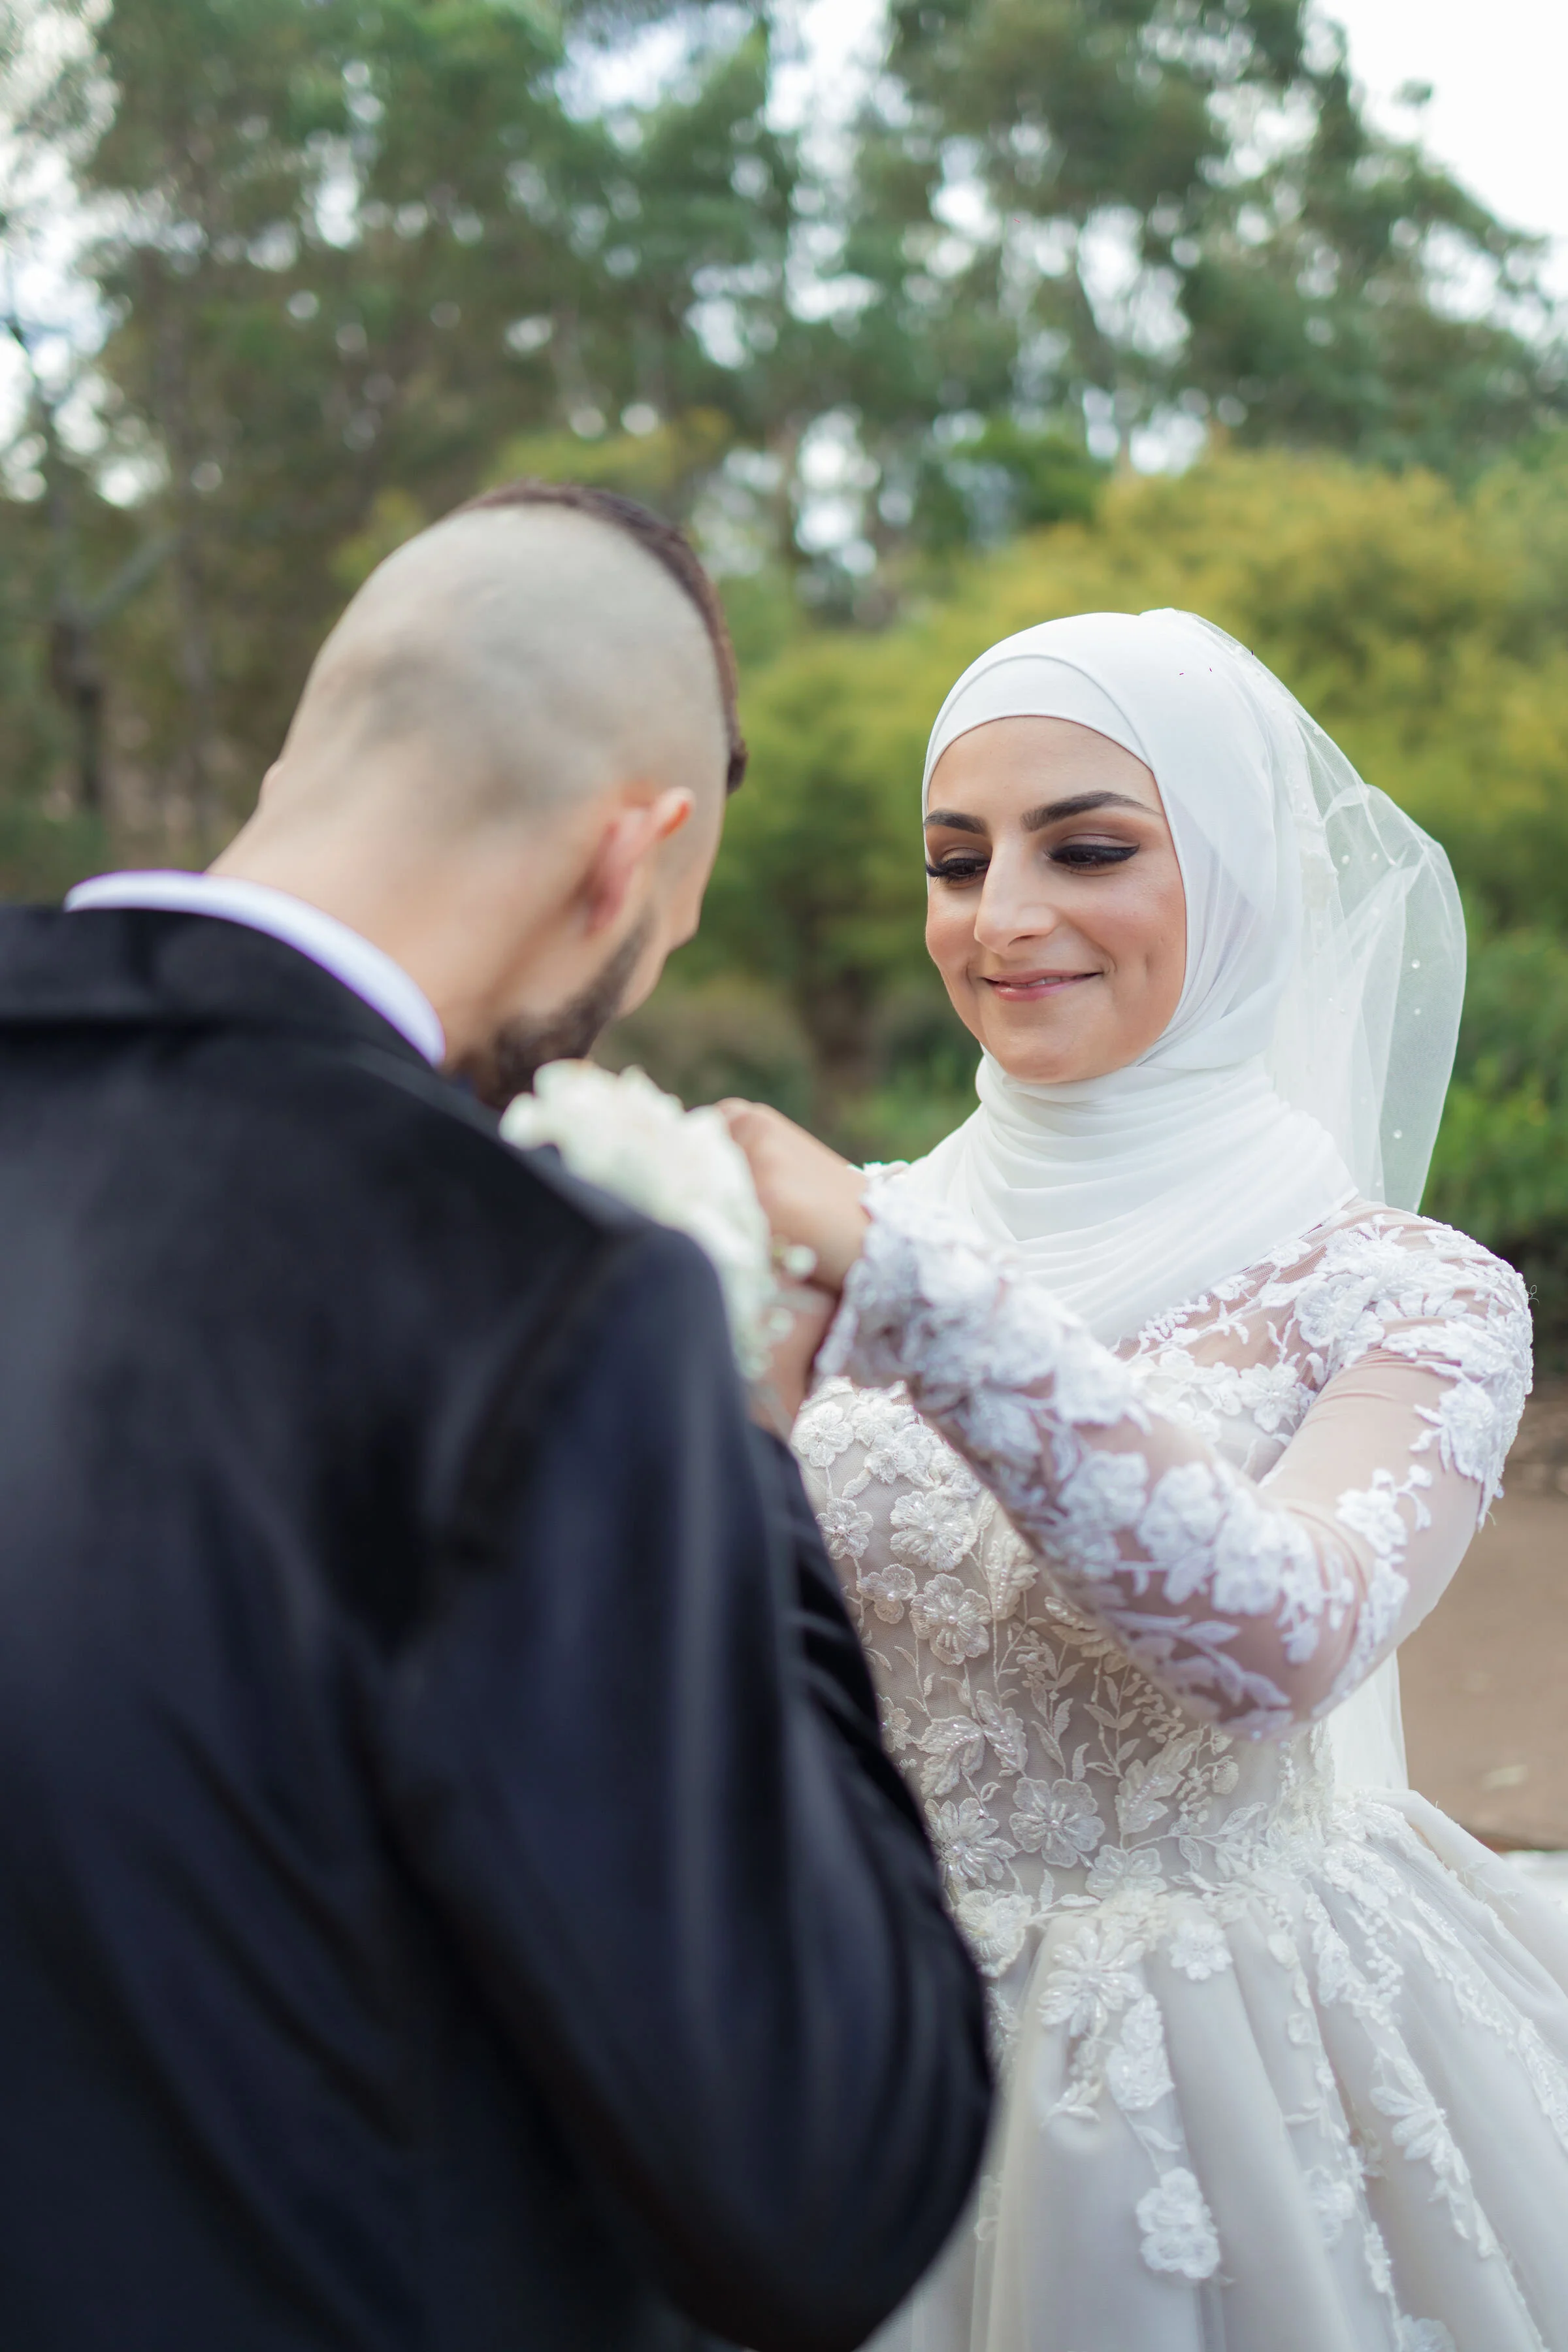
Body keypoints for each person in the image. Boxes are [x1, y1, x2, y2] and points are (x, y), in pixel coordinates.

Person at [0, 481, 991, 2352]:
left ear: (306, 754)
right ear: (628, 858)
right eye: (665, 936)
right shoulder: (535, 1300)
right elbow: (836, 2183)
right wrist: (741, 1450)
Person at [725, 609, 1568, 2352]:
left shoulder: (1404, 1295)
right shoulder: (831, 1229)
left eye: (1088, 849)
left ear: (1241, 882)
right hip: (828, 2020)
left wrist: (922, 1305)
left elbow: (1286, 1638)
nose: (1000, 917)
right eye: (957, 862)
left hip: (1219, 2066)